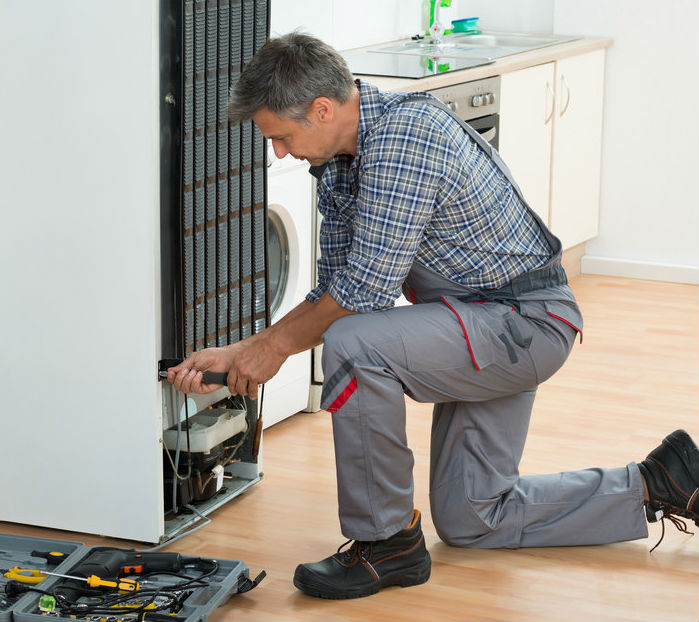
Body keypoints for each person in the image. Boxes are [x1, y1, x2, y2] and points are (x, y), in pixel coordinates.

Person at [168, 32, 699, 600]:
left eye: (282, 136)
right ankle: (660, 482)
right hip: (480, 322)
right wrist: (248, 348)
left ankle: (386, 542)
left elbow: (362, 292)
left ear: (321, 110)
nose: (278, 152)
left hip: (523, 322)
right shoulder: (340, 167)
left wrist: (270, 349)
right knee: (474, 517)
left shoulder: (404, 136)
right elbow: (334, 289)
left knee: (355, 344)